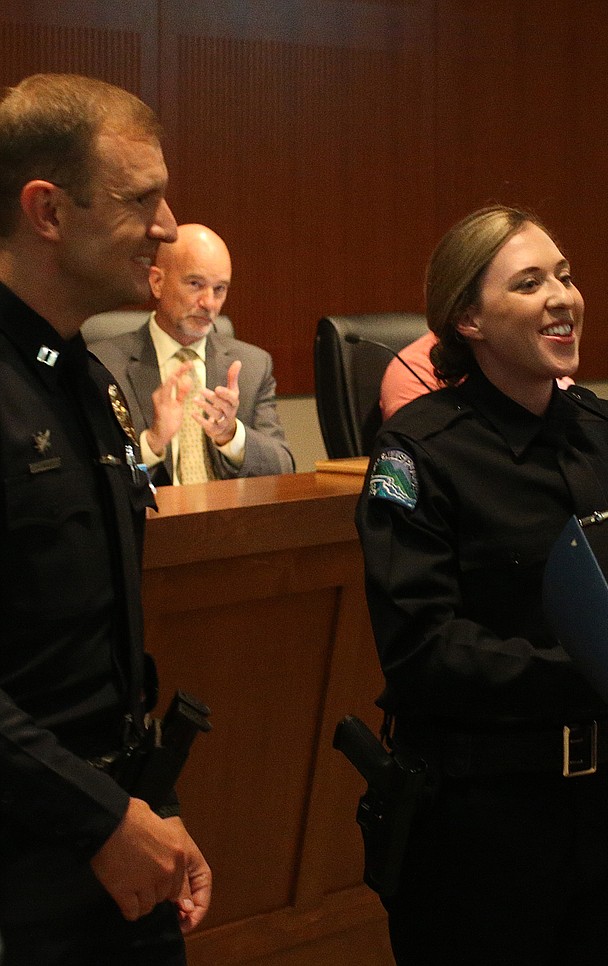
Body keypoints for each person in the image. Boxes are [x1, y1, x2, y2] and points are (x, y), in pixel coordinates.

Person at [355, 205, 608, 965]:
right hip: (485, 826)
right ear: (467, 316)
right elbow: (424, 653)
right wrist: (605, 674)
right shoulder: (420, 453)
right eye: (529, 283)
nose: (562, 297)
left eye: (564, 275)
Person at [0, 73, 211, 963]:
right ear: (47, 211)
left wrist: (147, 806)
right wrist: (100, 815)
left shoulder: (82, 377)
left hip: (114, 831)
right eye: (142, 199)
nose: (167, 227)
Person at [92, 223, 294, 485]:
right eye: (195, 284)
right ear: (157, 282)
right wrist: (152, 442)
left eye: (219, 289)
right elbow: (92, 474)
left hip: (229, 521)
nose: (209, 303)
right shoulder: (104, 364)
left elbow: (284, 466)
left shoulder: (252, 367)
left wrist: (231, 435)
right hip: (154, 522)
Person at [379, 327, 573, 421]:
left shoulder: (530, 360)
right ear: (468, 315)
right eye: (528, 285)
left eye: (564, 279)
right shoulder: (412, 367)